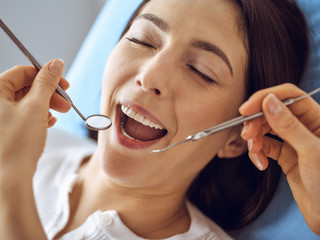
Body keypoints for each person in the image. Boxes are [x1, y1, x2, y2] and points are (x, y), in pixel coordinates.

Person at [0, 0, 319, 239]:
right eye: (142, 40)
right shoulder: (29, 147)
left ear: (237, 136)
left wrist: (11, 183)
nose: (149, 75)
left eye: (200, 71)